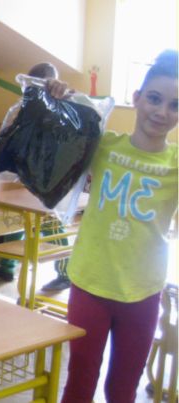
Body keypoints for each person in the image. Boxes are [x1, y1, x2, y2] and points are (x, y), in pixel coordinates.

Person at [61, 49, 178, 403]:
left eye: (175, 105)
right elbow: (50, 138)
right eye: (154, 99)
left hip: (143, 291)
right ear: (137, 98)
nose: (162, 112)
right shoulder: (103, 144)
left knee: (123, 389)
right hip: (90, 284)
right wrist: (56, 98)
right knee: (79, 383)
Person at [0, 62, 72, 291]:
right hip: (19, 176)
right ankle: (6, 266)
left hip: (45, 180)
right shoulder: (24, 106)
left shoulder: (60, 107)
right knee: (11, 220)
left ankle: (65, 272)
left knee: (50, 223)